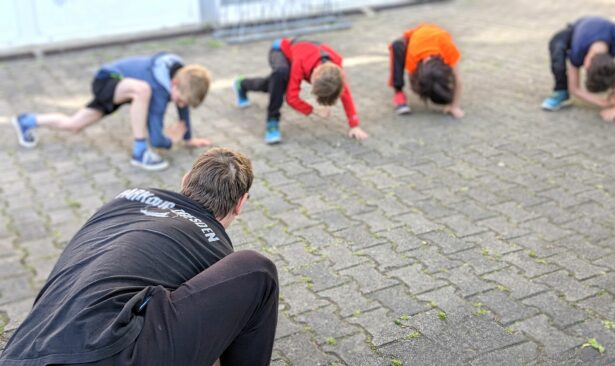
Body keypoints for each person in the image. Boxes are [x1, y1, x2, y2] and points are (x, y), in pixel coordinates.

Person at [0, 147, 279, 366]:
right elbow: (208, 339)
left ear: (184, 181)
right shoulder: (216, 250)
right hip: (108, 351)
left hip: (25, 349)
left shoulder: (124, 200)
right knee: (257, 272)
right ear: (240, 204)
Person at [11, 52, 213, 170]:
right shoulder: (158, 89)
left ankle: (26, 121)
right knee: (143, 90)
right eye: (180, 99)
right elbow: (158, 139)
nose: (181, 105)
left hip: (121, 88)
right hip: (107, 80)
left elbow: (182, 106)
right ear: (174, 83)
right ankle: (140, 152)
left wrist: (187, 137)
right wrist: (171, 140)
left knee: (74, 125)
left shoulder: (180, 75)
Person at [232, 38, 368, 144]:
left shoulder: (336, 68)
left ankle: (241, 84)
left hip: (299, 53)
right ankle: (272, 121)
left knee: (272, 85)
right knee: (280, 74)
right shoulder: (301, 62)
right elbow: (291, 98)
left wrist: (354, 125)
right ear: (314, 72)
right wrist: (314, 109)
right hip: (280, 50)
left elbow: (345, 93)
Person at [541, 16, 615, 122]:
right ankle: (561, 90)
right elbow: (574, 89)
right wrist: (603, 103)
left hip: (606, 29)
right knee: (557, 46)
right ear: (586, 63)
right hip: (575, 29)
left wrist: (614, 107)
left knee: (611, 75)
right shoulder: (577, 51)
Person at [388, 24, 464, 118]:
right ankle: (398, 92)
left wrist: (454, 106)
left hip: (437, 35)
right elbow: (413, 82)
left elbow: (458, 80)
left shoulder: (448, 50)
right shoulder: (412, 57)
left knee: (437, 80)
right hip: (415, 36)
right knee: (396, 46)